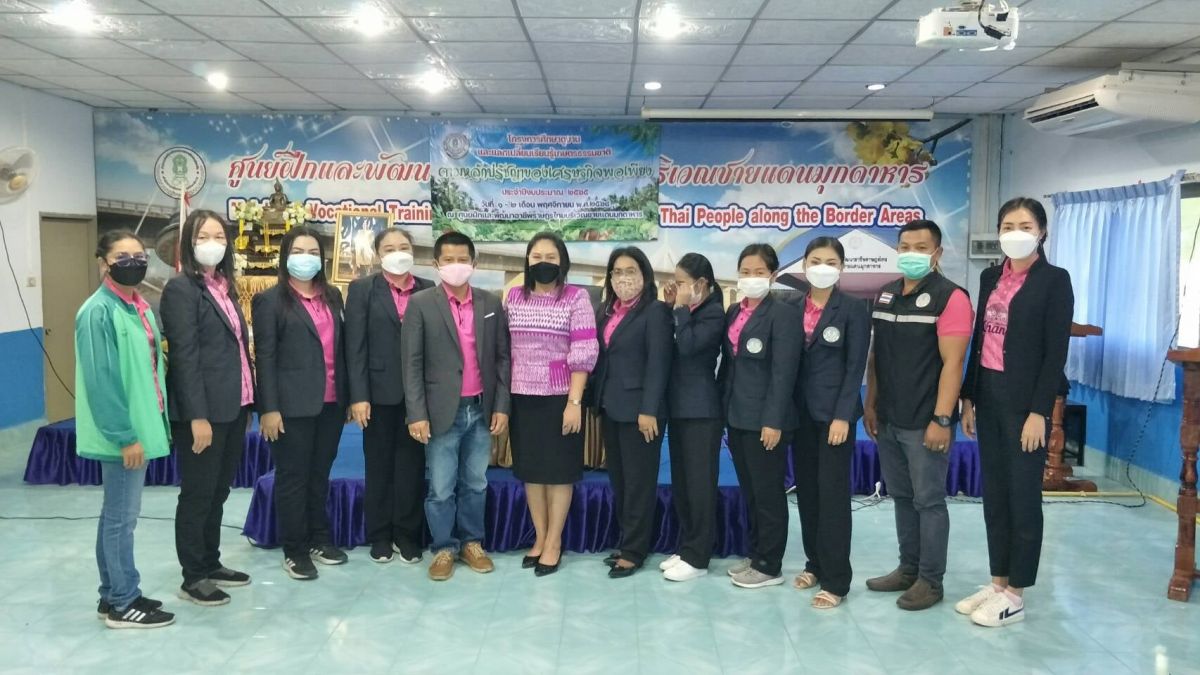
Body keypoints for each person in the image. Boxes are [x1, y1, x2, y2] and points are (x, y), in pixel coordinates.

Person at [956, 198, 1074, 627]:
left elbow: (1055, 352)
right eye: (1008, 225)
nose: (1016, 232)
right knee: (996, 494)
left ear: (1042, 232)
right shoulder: (990, 277)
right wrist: (969, 396)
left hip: (1026, 405)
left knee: (1023, 497)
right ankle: (998, 582)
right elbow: (979, 340)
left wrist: (1040, 411)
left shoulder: (1055, 281)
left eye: (1025, 225)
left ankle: (1016, 594)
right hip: (988, 396)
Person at [864, 219, 973, 610]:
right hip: (889, 417)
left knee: (928, 501)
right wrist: (871, 403)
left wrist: (942, 419)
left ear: (937, 253)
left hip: (926, 421)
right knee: (902, 496)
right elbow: (876, 356)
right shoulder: (886, 294)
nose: (912, 254)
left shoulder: (951, 297)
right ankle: (907, 569)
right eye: (905, 247)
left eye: (921, 248)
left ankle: (930, 580)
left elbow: (953, 363)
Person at [77, 229, 175, 628]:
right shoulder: (97, 312)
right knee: (121, 519)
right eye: (122, 256)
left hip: (140, 426)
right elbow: (101, 380)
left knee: (115, 516)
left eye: (139, 256)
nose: (132, 263)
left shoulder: (139, 307)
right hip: (122, 436)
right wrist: (125, 436)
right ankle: (123, 602)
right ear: (104, 263)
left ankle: (113, 592)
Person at [401, 231, 511, 582]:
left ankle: (472, 543)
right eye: (448, 260)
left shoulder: (490, 302)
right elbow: (411, 364)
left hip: (481, 409)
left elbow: (502, 358)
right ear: (436, 264)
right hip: (440, 412)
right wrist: (416, 414)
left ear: (474, 263)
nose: (456, 265)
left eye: (462, 259)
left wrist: (502, 406)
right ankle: (444, 548)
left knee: (476, 482)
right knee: (441, 487)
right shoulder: (421, 304)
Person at [160, 210, 254, 606]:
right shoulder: (181, 290)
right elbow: (185, 357)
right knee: (198, 493)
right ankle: (193, 575)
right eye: (203, 236)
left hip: (234, 406)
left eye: (219, 236)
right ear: (188, 243)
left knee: (219, 489)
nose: (212, 243)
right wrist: (197, 416)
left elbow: (235, 348)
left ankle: (211, 562)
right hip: (203, 413)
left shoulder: (224, 286)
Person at [252, 226, 349, 581]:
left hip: (331, 403)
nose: (306, 258)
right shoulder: (270, 300)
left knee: (319, 474)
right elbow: (265, 357)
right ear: (285, 257)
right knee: (293, 477)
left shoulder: (333, 296)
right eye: (298, 251)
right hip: (290, 406)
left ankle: (319, 539)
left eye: (312, 252)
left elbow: (342, 348)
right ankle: (294, 549)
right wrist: (269, 408)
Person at [505, 232, 598, 577]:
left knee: (559, 473)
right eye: (536, 257)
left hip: (561, 398)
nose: (543, 263)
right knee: (532, 472)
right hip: (522, 397)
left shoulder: (576, 298)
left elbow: (584, 351)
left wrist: (574, 401)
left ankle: (555, 541)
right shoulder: (514, 296)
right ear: (527, 261)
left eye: (550, 257)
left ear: (562, 261)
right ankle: (540, 537)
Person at [787, 237, 870, 609]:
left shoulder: (852, 309)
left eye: (831, 261)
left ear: (841, 268)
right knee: (807, 492)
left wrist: (842, 416)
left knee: (832, 495)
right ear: (804, 265)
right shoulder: (790, 307)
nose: (822, 267)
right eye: (815, 260)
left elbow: (855, 367)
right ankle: (815, 564)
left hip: (835, 416)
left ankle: (836, 580)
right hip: (799, 416)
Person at [345, 227, 434, 564]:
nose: (398, 253)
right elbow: (355, 346)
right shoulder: (362, 289)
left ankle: (406, 535)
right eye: (390, 248)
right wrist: (359, 396)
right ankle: (380, 535)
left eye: (404, 247)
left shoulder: (428, 288)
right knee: (379, 466)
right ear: (378, 254)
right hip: (377, 394)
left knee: (412, 467)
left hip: (417, 397)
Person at [721, 244, 803, 589]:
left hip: (766, 420)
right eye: (745, 271)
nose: (751, 278)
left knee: (768, 494)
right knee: (751, 491)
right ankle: (756, 553)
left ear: (773, 275)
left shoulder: (783, 313)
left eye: (758, 272)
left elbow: (784, 372)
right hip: (737, 414)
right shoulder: (734, 311)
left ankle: (770, 564)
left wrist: (773, 420)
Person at [593, 247, 673, 579]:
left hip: (641, 412)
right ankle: (627, 541)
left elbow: (659, 363)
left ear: (644, 275)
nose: (623, 278)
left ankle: (635, 551)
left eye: (630, 271)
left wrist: (649, 409)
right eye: (617, 272)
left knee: (639, 482)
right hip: (611, 407)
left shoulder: (655, 311)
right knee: (621, 480)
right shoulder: (606, 311)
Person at [659, 253, 725, 582]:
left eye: (682, 282)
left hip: (702, 411)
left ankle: (699, 557)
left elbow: (687, 347)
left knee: (700, 486)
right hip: (679, 408)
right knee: (683, 483)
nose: (678, 287)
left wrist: (681, 309)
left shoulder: (713, 312)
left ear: (701, 283)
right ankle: (686, 546)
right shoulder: (689, 310)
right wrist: (674, 307)